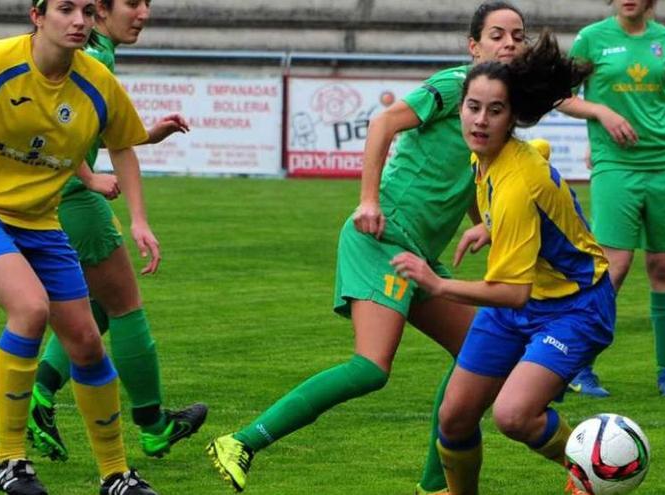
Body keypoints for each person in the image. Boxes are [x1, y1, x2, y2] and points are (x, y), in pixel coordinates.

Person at [207, 2, 528, 493]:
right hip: (381, 237)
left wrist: (483, 224)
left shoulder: (494, 113)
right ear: (473, 46)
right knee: (371, 367)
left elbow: (462, 179)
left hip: (417, 255)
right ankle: (242, 441)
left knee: (479, 356)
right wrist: (368, 201)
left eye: (517, 36)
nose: (508, 43)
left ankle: (434, 485)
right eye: (497, 35)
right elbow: (382, 124)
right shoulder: (455, 86)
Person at [0, 0, 161, 493]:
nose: (78, 21)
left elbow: (122, 144)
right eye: (64, 9)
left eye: (85, 11)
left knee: (86, 341)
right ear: (36, 16)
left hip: (40, 222)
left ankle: (116, 474)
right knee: (30, 308)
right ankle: (9, 460)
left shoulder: (97, 81)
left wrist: (139, 220)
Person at [392, 44, 610, 495]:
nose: (480, 120)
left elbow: (512, 292)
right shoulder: (488, 156)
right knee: (453, 419)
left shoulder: (515, 180)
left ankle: (595, 470)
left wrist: (438, 284)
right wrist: (491, 227)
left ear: (512, 118)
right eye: (473, 107)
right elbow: (540, 169)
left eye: (495, 111)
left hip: (575, 305)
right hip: (522, 304)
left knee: (514, 416)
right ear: (461, 109)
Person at [27, 0, 207, 464]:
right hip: (72, 196)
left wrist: (149, 133)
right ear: (100, 11)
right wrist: (109, 195)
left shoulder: (93, 51)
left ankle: (39, 396)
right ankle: (154, 425)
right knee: (125, 305)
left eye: (148, 3)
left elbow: (103, 132)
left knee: (97, 309)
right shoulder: (94, 55)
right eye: (133, 3)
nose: (143, 12)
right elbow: (62, 126)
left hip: (54, 194)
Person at [558, 0, 665, 397]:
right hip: (615, 164)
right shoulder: (591, 39)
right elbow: (562, 96)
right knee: (615, 265)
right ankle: (580, 367)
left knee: (664, 264)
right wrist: (600, 112)